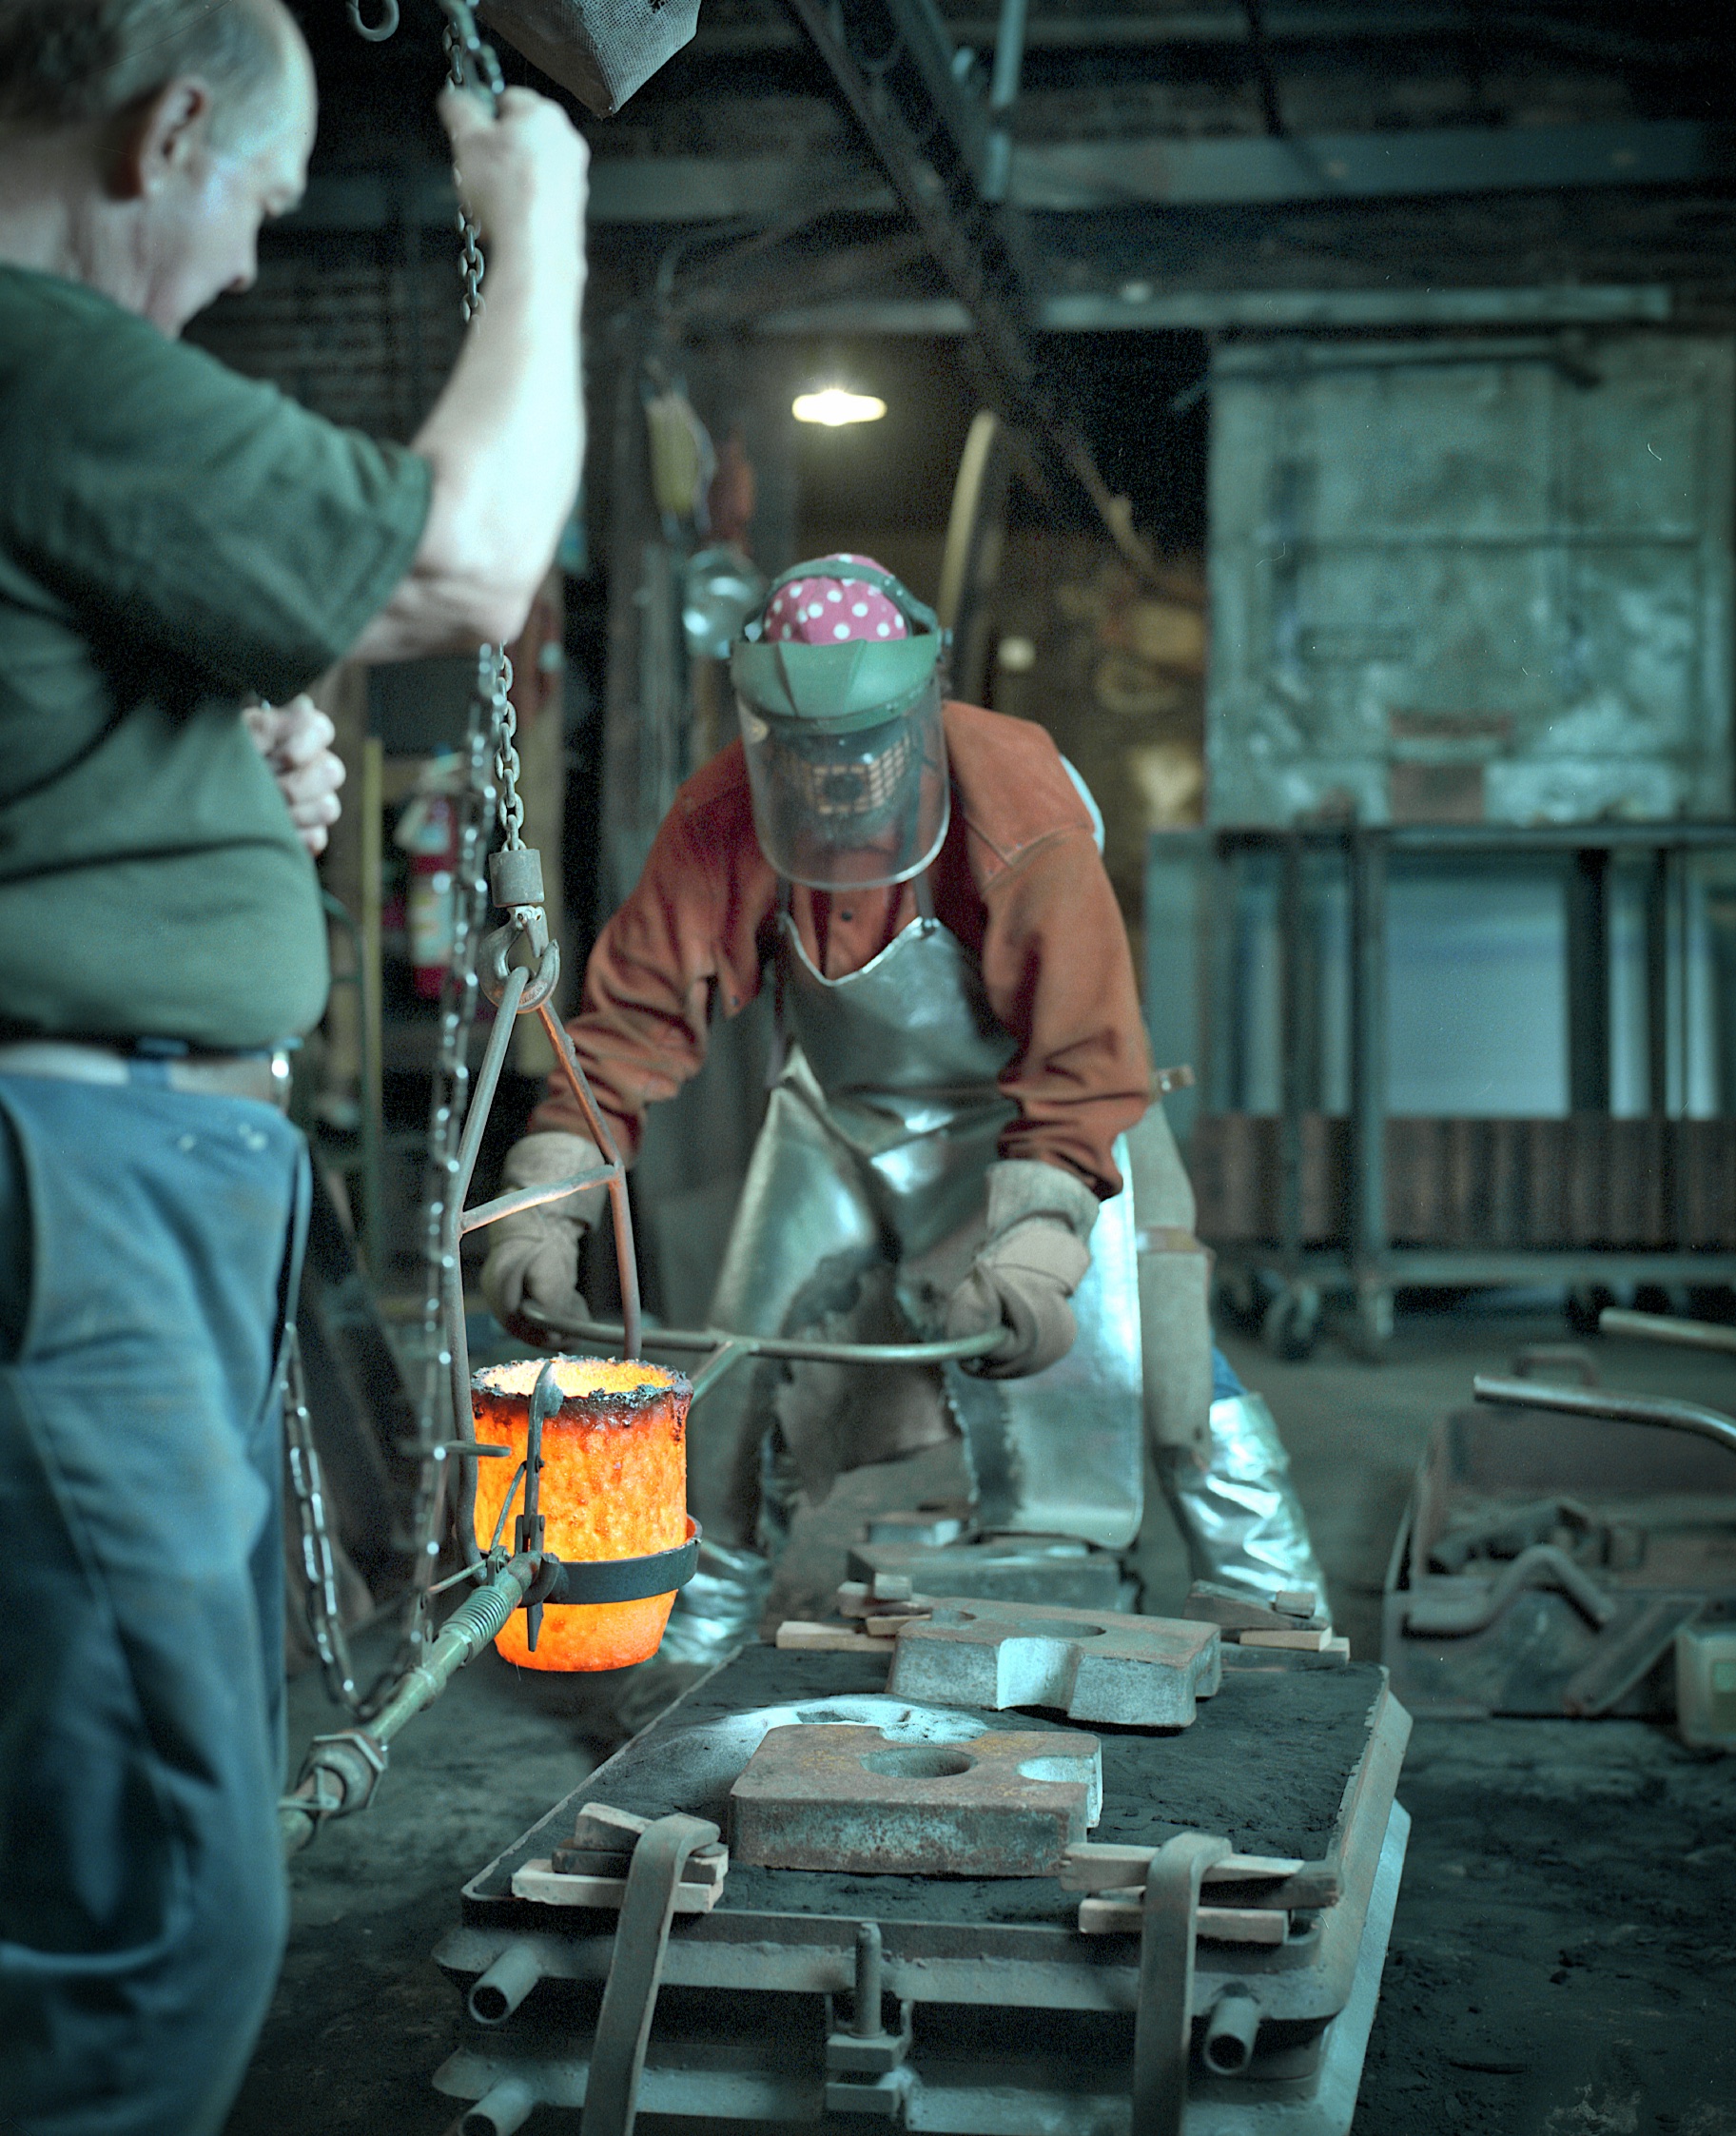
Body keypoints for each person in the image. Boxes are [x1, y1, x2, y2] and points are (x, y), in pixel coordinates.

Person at [0, 4, 588, 2130]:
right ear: (167, 133)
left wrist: (216, 787)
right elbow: (468, 556)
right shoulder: (37, 353)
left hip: (128, 1167)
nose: (256, 258)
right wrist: (544, 216)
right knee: (162, 1911)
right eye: (258, 199)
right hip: (81, 1171)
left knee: (96, 1824)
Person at [484, 555, 1324, 1665]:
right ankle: (687, 1666)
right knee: (732, 1393)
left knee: (1157, 1364)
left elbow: (1081, 1054)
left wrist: (1038, 1244)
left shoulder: (1019, 805)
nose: (835, 782)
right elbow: (629, 1026)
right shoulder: (724, 814)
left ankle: (1279, 1616)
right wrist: (547, 1204)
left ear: (921, 709)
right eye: (804, 754)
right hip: (839, 1121)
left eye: (862, 750)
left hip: (1036, 1118)